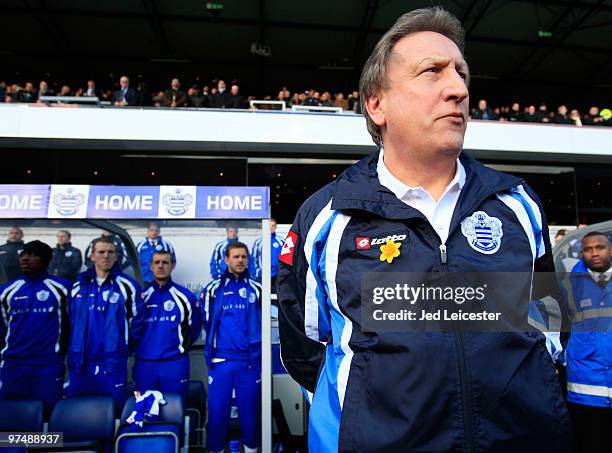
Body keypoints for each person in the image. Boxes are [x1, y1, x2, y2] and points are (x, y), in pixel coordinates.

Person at [277, 7, 570, 452]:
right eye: (432, 72)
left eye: (462, 75)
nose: (458, 89)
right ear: (377, 104)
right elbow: (305, 347)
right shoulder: (327, 218)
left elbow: (547, 321)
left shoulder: (517, 204)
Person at [66, 237, 143, 409]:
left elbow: (137, 323)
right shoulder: (78, 286)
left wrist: (122, 349)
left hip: (112, 364)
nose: (106, 256)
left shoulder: (128, 286)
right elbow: (69, 320)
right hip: (81, 364)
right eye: (101, 252)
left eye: (110, 252)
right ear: (92, 256)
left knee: (113, 414)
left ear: (116, 257)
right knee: (77, 414)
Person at [201, 242, 261, 453]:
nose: (240, 260)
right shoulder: (213, 289)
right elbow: (206, 322)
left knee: (250, 418)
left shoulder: (257, 289)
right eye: (236, 257)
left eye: (244, 257)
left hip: (249, 363)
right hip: (221, 362)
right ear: (226, 260)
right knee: (218, 417)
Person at [0, 241, 70, 414]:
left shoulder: (63, 289)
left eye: (32, 255)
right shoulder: (7, 291)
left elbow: (72, 324)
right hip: (13, 365)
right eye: (23, 254)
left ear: (44, 260)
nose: (25, 258)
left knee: (48, 417)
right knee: (11, 418)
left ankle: (45, 443)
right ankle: (14, 443)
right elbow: (3, 328)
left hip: (48, 364)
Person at [562, 232, 611, 452]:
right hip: (586, 385)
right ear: (581, 253)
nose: (594, 253)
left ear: (610, 249)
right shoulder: (569, 286)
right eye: (588, 249)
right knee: (590, 443)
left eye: (600, 247)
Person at [133, 251, 201, 404]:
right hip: (145, 364)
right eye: (157, 263)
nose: (161, 266)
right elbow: (132, 328)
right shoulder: (141, 297)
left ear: (173, 266)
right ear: (151, 267)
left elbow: (194, 328)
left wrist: (178, 349)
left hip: (174, 364)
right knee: (144, 412)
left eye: (165, 262)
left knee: (174, 408)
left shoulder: (185, 297)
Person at [251, 217, 284, 290]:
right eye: (269, 225)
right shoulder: (258, 242)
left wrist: (281, 272)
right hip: (262, 276)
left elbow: (285, 258)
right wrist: (258, 272)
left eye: (273, 226)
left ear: (276, 227)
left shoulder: (281, 241)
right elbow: (253, 259)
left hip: (277, 276)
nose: (271, 228)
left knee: (276, 298)